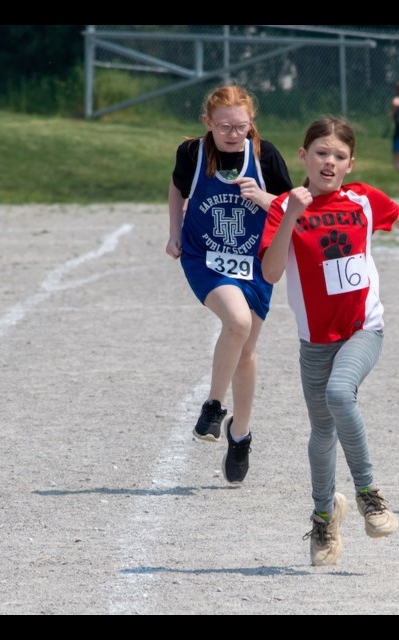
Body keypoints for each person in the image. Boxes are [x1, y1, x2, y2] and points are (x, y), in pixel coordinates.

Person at [258, 116, 399, 565]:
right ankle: (323, 518)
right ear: (304, 156)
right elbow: (272, 272)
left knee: (340, 393)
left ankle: (369, 494)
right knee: (321, 432)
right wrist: (291, 215)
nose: (328, 162)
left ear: (350, 163)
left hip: (363, 329)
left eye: (338, 156)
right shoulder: (283, 207)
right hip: (314, 339)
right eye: (320, 153)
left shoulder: (363, 200)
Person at [166, 84, 293, 483]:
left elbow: (292, 207)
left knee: (248, 351)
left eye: (241, 126)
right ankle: (214, 406)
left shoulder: (265, 154)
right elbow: (177, 188)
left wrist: (263, 198)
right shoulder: (193, 153)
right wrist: (173, 231)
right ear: (208, 123)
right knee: (236, 322)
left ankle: (241, 435)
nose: (233, 134)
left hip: (253, 262)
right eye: (224, 127)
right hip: (205, 257)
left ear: (251, 123)